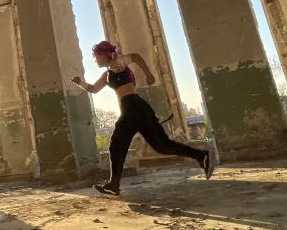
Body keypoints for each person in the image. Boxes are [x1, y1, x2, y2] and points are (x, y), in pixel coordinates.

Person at [72, 40, 214, 196]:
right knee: (161, 146)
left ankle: (114, 184)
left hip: (134, 107)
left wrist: (149, 74)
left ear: (105, 54)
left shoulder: (118, 63)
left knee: (117, 144)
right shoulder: (107, 74)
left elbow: (135, 56)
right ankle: (201, 155)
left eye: (96, 56)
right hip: (133, 109)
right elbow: (93, 89)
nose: (95, 60)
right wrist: (80, 83)